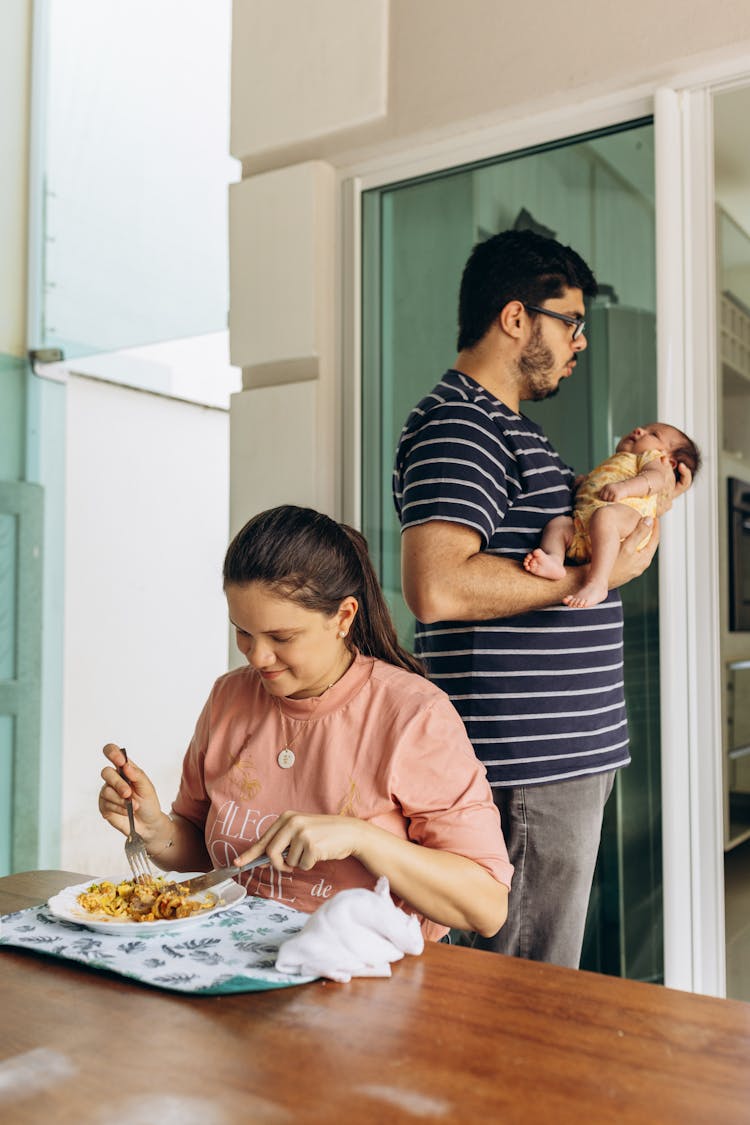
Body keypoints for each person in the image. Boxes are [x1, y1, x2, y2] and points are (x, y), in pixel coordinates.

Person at [393, 228, 692, 967]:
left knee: (535, 977)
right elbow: (437, 586)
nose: (580, 343)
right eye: (572, 321)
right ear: (516, 318)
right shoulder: (461, 424)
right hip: (525, 763)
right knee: (520, 984)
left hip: (555, 757)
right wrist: (597, 578)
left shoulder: (509, 428)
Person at [97, 505, 513, 943]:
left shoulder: (414, 715)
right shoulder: (228, 698)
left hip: (372, 980)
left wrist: (362, 838)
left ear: (344, 617)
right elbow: (210, 858)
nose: (257, 657)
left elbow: (486, 907)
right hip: (235, 965)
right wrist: (154, 829)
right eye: (243, 632)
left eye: (282, 638)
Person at [524, 422, 702, 608]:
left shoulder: (654, 459)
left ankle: (598, 583)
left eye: (654, 434)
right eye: (643, 428)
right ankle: (554, 559)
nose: (639, 430)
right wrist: (584, 484)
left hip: (625, 522)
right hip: (586, 530)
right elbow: (600, 486)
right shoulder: (617, 462)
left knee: (605, 516)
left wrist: (625, 488)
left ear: (669, 461)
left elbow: (655, 479)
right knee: (559, 525)